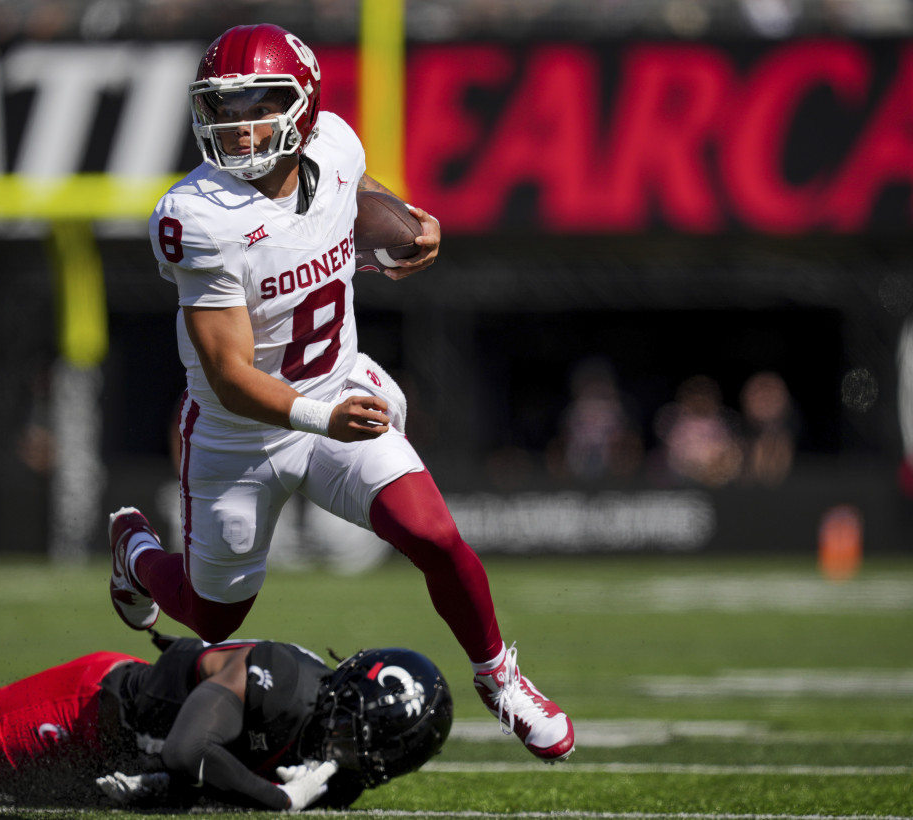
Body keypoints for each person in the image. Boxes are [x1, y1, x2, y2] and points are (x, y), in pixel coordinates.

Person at [114, 22, 574, 762]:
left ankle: (500, 680)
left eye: (258, 104)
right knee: (214, 615)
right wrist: (323, 417)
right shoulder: (194, 217)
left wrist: (403, 227)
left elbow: (353, 189)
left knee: (435, 537)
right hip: (244, 433)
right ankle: (134, 553)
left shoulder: (332, 142)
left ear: (302, 107)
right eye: (223, 108)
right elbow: (231, 377)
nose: (239, 126)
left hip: (336, 387)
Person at [0, 604, 453, 811]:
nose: (351, 756)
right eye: (355, 736)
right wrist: (276, 800)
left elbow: (192, 780)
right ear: (343, 692)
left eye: (373, 752)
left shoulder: (340, 761)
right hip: (92, 708)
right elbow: (186, 752)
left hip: (112, 748)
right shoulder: (280, 680)